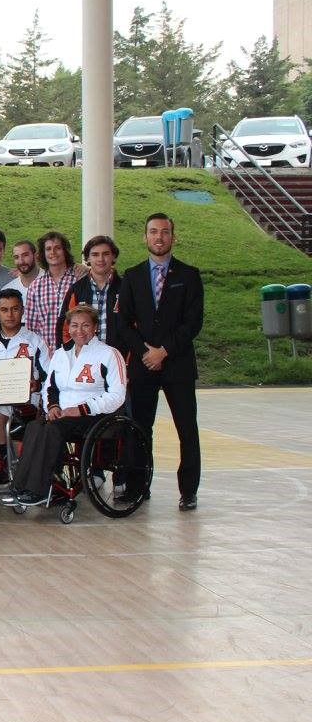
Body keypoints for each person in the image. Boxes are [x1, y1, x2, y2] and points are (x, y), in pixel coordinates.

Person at [115, 213, 204, 510]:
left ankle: (188, 491)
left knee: (186, 429)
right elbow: (124, 322)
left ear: (173, 237)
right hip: (143, 365)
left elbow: (193, 323)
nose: (159, 237)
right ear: (145, 237)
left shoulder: (189, 275)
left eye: (165, 232)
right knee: (140, 429)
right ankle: (140, 487)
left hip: (177, 365)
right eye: (153, 232)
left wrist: (163, 351)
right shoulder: (132, 276)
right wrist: (145, 352)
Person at [5, 304, 126, 506]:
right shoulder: (61, 354)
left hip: (94, 416)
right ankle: (20, 486)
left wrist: (81, 409)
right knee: (34, 427)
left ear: (95, 327)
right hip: (63, 415)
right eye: (75, 325)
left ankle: (39, 490)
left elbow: (117, 395)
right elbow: (50, 387)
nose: (79, 330)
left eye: (85, 325)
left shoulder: (109, 354)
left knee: (53, 429)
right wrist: (52, 407)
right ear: (68, 327)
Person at [0, 288, 47, 454]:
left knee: (2, 403)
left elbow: (48, 376)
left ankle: (1, 449)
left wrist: (37, 385)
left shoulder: (35, 341)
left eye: (15, 309)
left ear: (23, 310)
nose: (10, 315)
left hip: (25, 400)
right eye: (4, 310)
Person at [58, 235, 121, 347]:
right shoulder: (76, 290)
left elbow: (136, 324)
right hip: (84, 358)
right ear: (87, 258)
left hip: (118, 356)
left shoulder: (125, 288)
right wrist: (69, 354)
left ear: (113, 257)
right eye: (95, 254)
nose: (100, 259)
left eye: (105, 254)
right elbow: (64, 326)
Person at [25, 231, 78, 358]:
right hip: (48, 355)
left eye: (57, 248)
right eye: (48, 249)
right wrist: (41, 349)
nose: (53, 252)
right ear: (43, 254)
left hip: (77, 352)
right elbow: (32, 327)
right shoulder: (35, 287)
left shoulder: (78, 281)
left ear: (65, 251)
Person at [1, 239, 41, 308]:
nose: (21, 261)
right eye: (16, 257)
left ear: (35, 256)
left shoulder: (51, 281)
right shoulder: (8, 290)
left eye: (25, 255)